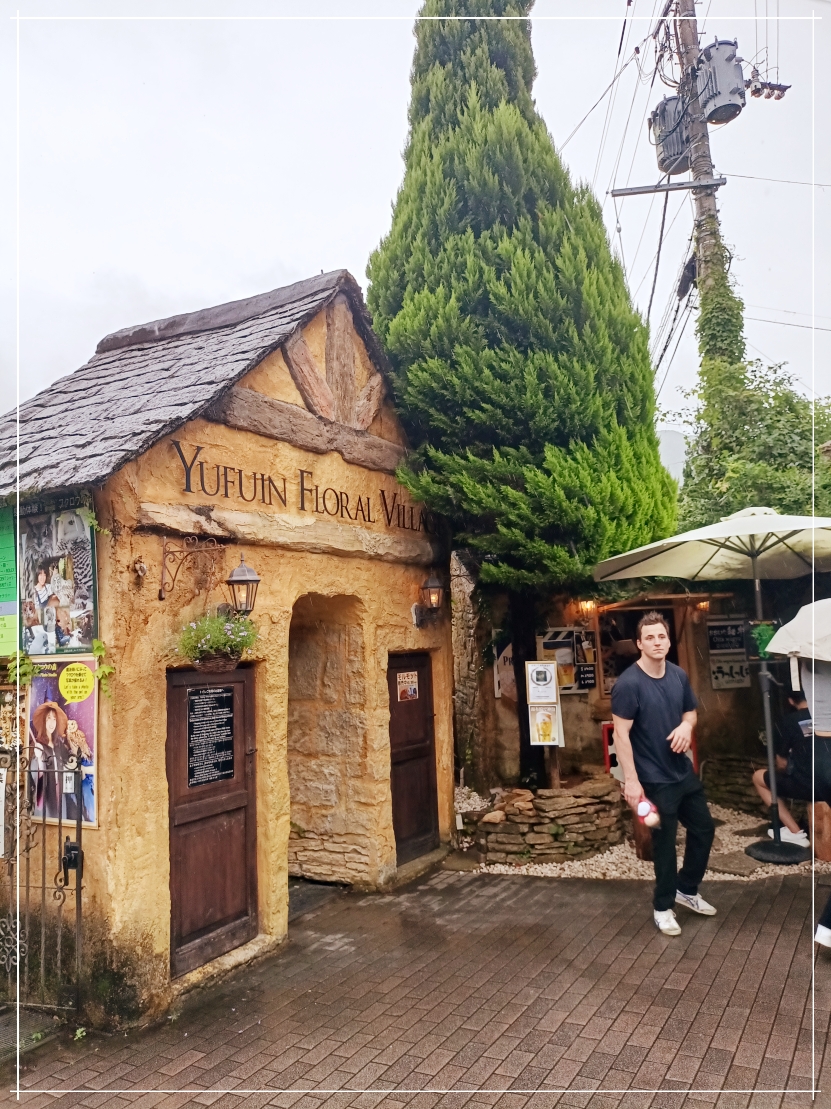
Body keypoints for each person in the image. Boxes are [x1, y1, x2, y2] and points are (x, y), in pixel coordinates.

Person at [612, 611, 716, 936]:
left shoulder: (678, 675)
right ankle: (662, 907)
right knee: (665, 843)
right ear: (639, 644)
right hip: (654, 779)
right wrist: (632, 781)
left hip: (682, 772)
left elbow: (690, 712)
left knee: (704, 829)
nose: (657, 642)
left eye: (662, 636)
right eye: (650, 638)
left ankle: (687, 888)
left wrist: (686, 726)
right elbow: (620, 734)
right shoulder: (629, 684)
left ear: (669, 642)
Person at [750, 694, 812, 846]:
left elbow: (782, 762)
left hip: (808, 784)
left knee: (758, 777)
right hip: (826, 778)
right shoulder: (825, 717)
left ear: (791, 700)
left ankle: (795, 833)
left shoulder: (789, 721)